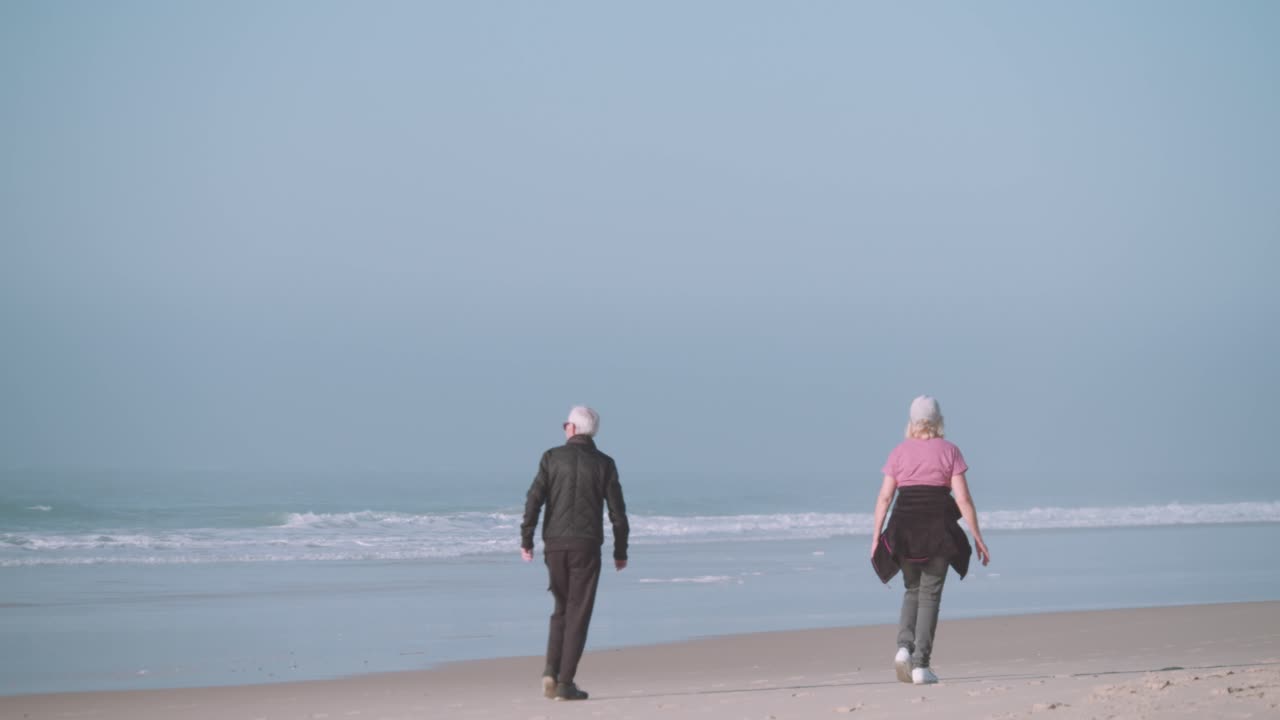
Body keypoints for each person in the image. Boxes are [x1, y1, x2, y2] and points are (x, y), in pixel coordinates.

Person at [870, 395, 990, 685]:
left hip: (904, 529)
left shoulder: (899, 452)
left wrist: (876, 537)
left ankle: (903, 648)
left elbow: (885, 497)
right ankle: (921, 665)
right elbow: (962, 498)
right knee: (930, 595)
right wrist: (977, 536)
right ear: (939, 421)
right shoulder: (950, 451)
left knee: (912, 589)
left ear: (911, 422)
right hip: (937, 530)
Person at [521, 405, 629, 701]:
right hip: (586, 545)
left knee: (561, 609)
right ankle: (565, 682)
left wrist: (526, 538)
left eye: (565, 424)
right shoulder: (605, 464)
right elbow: (617, 512)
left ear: (572, 429)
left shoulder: (552, 458)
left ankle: (549, 671)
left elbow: (534, 499)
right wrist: (621, 550)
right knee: (578, 613)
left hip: (555, 545)